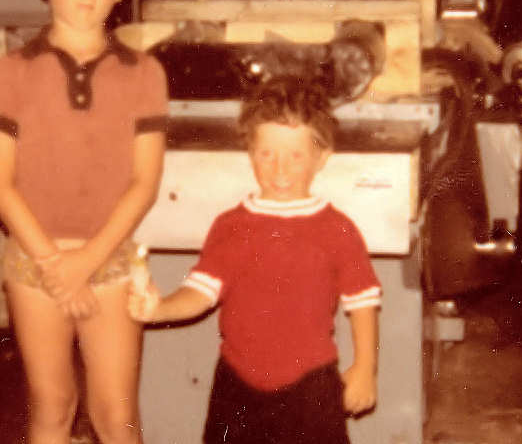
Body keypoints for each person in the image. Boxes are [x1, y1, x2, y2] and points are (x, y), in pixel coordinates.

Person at [0, 0, 168, 444]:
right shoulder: (11, 71)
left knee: (117, 415)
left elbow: (144, 183)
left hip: (109, 259)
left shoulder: (145, 73)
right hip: (33, 261)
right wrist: (52, 263)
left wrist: (85, 262)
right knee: (52, 406)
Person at [129, 77, 381, 444]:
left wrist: (365, 367)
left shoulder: (337, 229)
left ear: (321, 157)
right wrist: (159, 309)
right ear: (250, 154)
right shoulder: (230, 226)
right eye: (267, 154)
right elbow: (201, 292)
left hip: (311, 386)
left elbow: (363, 302)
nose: (280, 169)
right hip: (237, 385)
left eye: (295, 156)